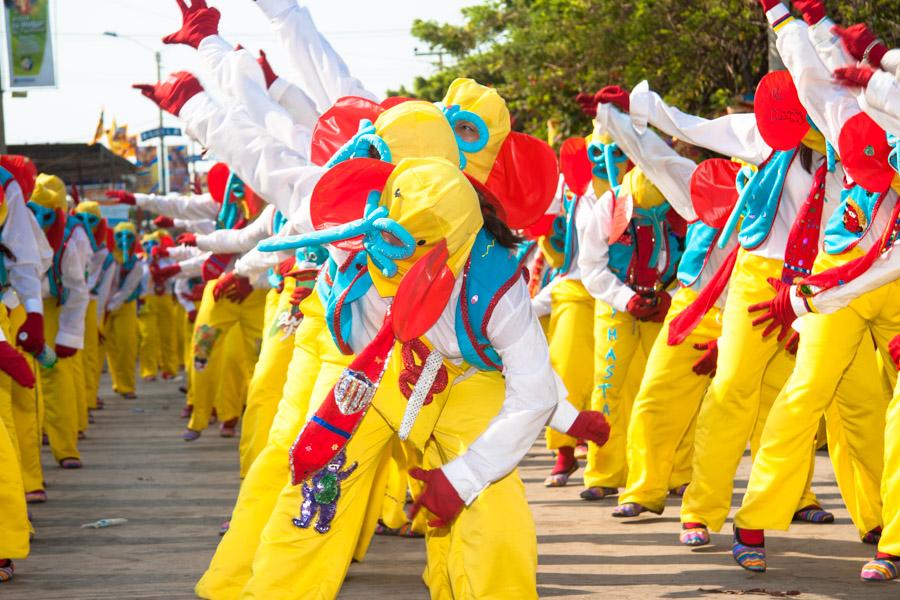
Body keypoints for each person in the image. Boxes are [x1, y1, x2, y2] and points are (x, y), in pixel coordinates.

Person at [27, 173, 91, 469]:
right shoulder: (13, 222)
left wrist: (68, 335)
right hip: (16, 307)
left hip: (52, 309)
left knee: (56, 373)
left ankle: (65, 447)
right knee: (22, 380)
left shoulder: (71, 236)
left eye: (46, 215)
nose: (39, 221)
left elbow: (78, 289)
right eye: (33, 212)